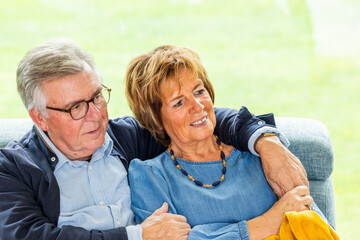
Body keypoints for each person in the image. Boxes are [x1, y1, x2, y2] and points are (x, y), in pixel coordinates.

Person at [0, 38, 305, 240]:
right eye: (76, 107)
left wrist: (265, 141)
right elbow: (27, 236)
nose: (95, 114)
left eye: (96, 97)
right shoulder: (14, 169)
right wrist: (137, 236)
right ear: (39, 117)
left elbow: (198, 118)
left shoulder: (126, 138)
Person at [126, 45, 328, 239]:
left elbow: (312, 222)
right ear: (156, 119)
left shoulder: (260, 153)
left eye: (199, 91)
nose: (198, 107)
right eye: (179, 102)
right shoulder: (150, 177)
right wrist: (269, 222)